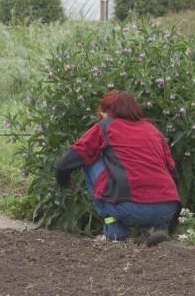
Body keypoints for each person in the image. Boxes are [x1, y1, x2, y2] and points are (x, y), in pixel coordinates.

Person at [54, 90, 181, 243]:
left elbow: (65, 163)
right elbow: (174, 174)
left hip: (130, 207)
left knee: (90, 158)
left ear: (105, 112)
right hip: (167, 208)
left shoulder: (105, 126)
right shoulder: (153, 130)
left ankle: (116, 233)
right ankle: (154, 229)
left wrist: (64, 182)